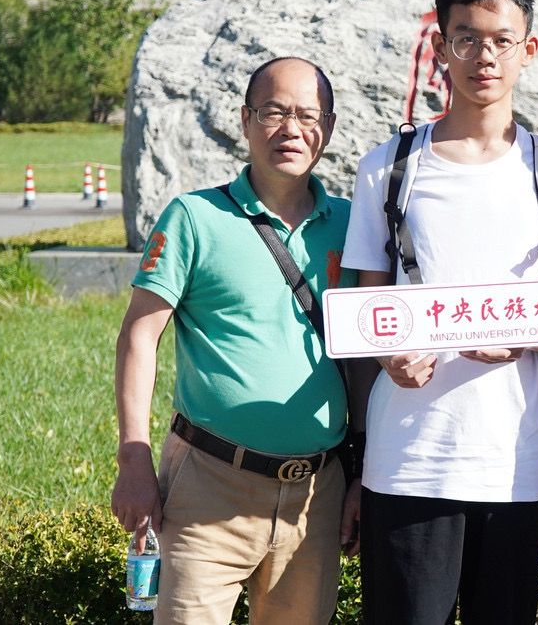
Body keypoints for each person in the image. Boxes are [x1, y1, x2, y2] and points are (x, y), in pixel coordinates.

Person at [340, 0, 538, 623]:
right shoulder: (389, 167)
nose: (485, 56)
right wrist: (387, 356)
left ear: (528, 50)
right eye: (467, 38)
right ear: (440, 46)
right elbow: (367, 312)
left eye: (502, 40)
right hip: (406, 458)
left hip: (514, 459)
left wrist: (525, 337)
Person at [111, 57, 356, 625]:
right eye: (273, 112)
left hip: (316, 496)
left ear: (328, 128)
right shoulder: (194, 218)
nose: (291, 129)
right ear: (245, 121)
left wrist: (363, 472)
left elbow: (367, 358)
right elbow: (139, 336)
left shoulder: (353, 224)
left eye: (307, 116)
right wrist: (133, 458)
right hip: (209, 487)